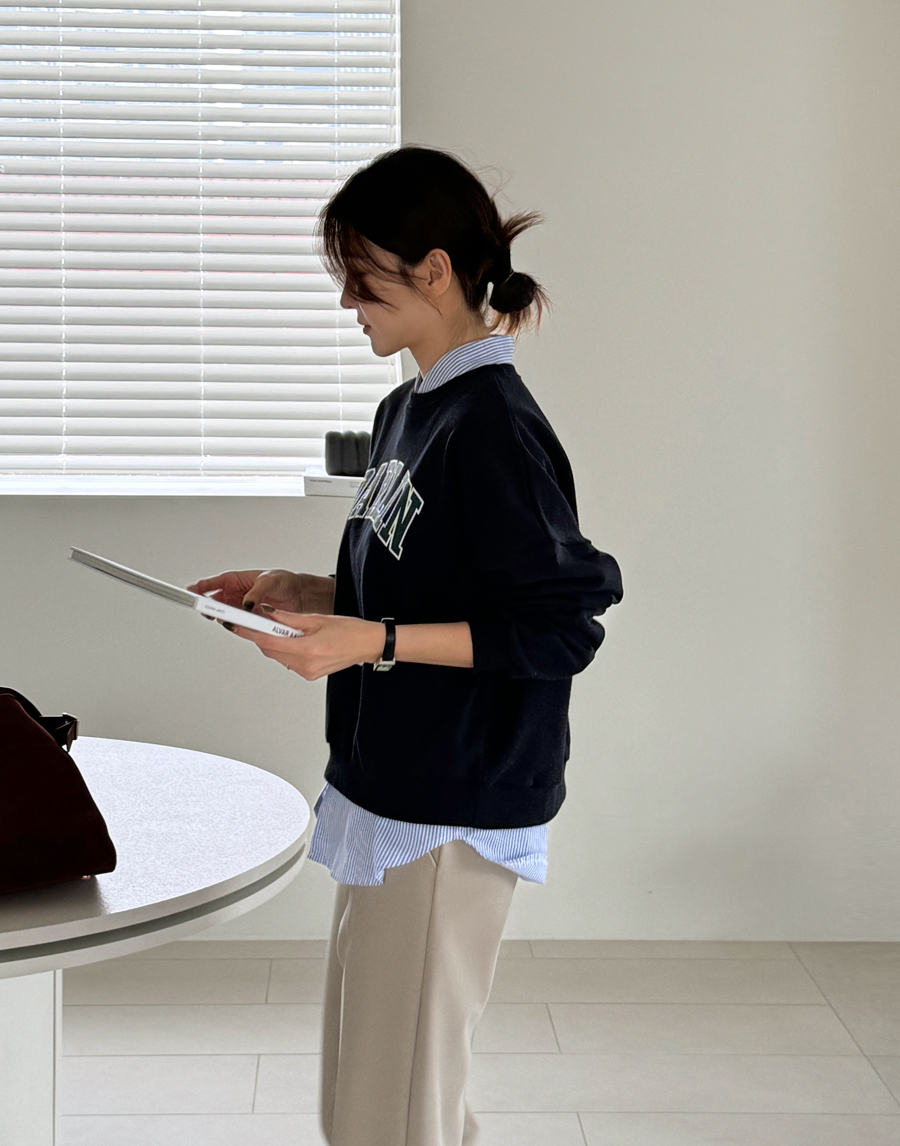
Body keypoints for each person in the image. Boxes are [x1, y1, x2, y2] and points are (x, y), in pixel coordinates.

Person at [187, 145, 623, 1146]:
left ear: (433, 270)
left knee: (392, 1110)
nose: (347, 302)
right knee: (383, 1097)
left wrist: (371, 640)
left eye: (360, 276)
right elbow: (434, 586)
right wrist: (305, 594)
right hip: (391, 786)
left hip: (450, 805)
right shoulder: (410, 410)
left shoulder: (495, 427)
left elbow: (558, 626)